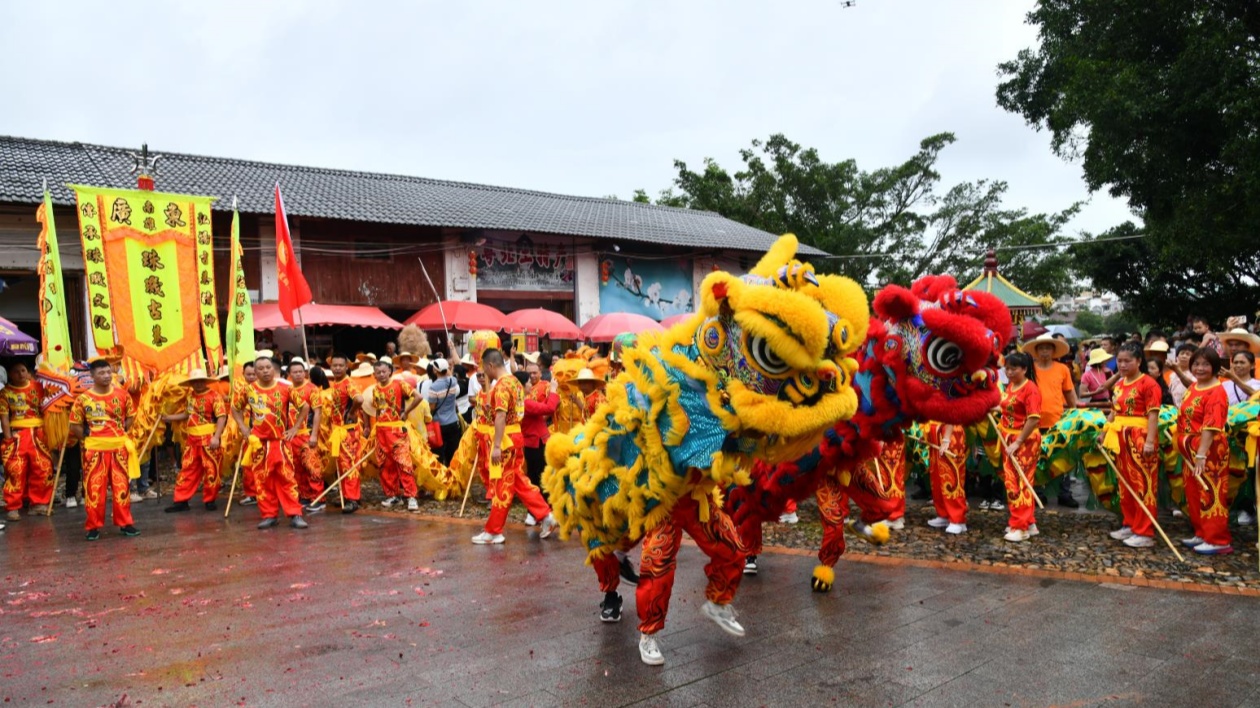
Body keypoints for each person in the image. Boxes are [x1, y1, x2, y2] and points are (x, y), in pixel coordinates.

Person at [469, 348, 558, 545]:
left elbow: (500, 416)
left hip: (506, 439)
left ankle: (494, 531)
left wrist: (498, 446)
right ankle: (545, 515)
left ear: (491, 366)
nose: (485, 373)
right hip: (516, 435)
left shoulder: (501, 386)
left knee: (503, 484)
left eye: (485, 368)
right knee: (517, 480)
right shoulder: (515, 383)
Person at [232, 355, 308, 530]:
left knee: (287, 478)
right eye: (261, 368)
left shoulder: (285, 388)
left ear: (274, 369)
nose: (265, 371)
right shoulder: (249, 390)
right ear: (255, 372)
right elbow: (235, 408)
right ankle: (269, 515)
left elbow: (304, 406)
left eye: (268, 367)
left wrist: (295, 428)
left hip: (281, 442)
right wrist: (243, 427)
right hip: (259, 443)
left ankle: (295, 514)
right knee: (262, 480)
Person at [68, 358, 140, 541]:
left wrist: (120, 432)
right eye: (101, 373)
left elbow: (130, 418)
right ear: (92, 375)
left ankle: (125, 523)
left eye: (108, 372)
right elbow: (75, 425)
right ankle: (93, 526)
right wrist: (86, 439)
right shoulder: (83, 399)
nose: (106, 376)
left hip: (118, 448)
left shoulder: (122, 395)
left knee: (122, 487)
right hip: (94, 450)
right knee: (94, 489)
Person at [1103, 343, 1163, 549]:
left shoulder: (1149, 384)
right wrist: (1104, 432)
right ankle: (1130, 523)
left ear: (1139, 361)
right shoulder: (1119, 384)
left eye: (1127, 360)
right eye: (1119, 361)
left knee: (1143, 484)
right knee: (1125, 485)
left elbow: (1153, 414)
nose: (1123, 364)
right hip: (1120, 437)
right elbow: (1114, 410)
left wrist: (1149, 441)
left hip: (1140, 437)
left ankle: (1145, 530)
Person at [1175, 347, 1233, 555]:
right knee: (1193, 491)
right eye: (1196, 364)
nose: (1200, 368)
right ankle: (1201, 532)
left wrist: (1201, 454)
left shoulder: (1216, 391)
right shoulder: (1194, 387)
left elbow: (1211, 426)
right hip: (1191, 449)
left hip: (1209, 450)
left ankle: (1217, 539)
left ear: (1215, 367)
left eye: (1205, 364)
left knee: (1210, 491)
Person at [1023, 334, 1079, 507]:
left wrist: (1075, 414)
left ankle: (1064, 493)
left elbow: (1069, 392)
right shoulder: (1029, 368)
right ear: (1036, 351)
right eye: (1041, 348)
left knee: (1062, 458)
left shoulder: (1062, 368)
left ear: (1054, 350)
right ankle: (1039, 492)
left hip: (1057, 420)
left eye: (1048, 348)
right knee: (1036, 458)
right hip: (1033, 421)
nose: (1045, 351)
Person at [163, 369, 227, 512]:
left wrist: (216, 437)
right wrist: (169, 418)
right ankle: (181, 500)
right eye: (195, 382)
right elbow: (187, 414)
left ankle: (210, 499)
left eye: (200, 381)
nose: (198, 384)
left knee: (212, 470)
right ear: (191, 383)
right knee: (187, 470)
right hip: (192, 440)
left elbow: (221, 417)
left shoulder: (214, 396)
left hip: (209, 439)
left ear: (205, 382)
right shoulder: (190, 396)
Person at [364, 359, 423, 511]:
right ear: (374, 375)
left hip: (396, 430)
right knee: (385, 465)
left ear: (390, 371)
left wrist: (406, 412)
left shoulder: (399, 384)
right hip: (381, 431)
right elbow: (372, 409)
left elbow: (418, 397)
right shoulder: (375, 389)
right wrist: (368, 426)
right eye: (378, 373)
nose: (382, 375)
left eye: (384, 371)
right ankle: (393, 495)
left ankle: (411, 496)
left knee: (404, 463)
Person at [995, 352, 1041, 542]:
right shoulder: (1012, 386)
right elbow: (1007, 407)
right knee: (1012, 481)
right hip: (1008, 437)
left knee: (1019, 483)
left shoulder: (1031, 389)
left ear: (1024, 369)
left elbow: (1033, 418)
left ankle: (1020, 526)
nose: (1010, 372)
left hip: (1024, 441)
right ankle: (1028, 522)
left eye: (1014, 368)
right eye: (1007, 368)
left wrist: (1018, 441)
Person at [1, 362, 53, 522]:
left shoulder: (39, 387)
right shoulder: (5, 393)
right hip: (18, 434)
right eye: (16, 372)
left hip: (39, 433)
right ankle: (13, 506)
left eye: (23, 370)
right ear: (10, 375)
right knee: (15, 471)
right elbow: (4, 417)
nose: (21, 374)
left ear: (28, 372)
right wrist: (9, 438)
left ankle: (39, 503)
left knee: (43, 468)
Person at [324, 354, 364, 513]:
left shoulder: (348, 383)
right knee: (342, 464)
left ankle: (352, 499)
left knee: (349, 465)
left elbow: (359, 399)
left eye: (341, 365)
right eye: (335, 365)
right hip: (338, 430)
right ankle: (348, 495)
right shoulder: (336, 383)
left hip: (348, 432)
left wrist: (352, 412)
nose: (337, 368)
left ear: (347, 367)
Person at [285, 359, 326, 511]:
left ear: (305, 373)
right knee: (296, 468)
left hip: (306, 433)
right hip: (291, 436)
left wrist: (314, 434)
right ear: (289, 374)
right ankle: (305, 496)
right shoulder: (287, 390)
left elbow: (318, 412)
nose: (298, 375)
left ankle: (318, 498)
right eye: (294, 372)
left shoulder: (312, 389)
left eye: (300, 372)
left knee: (312, 466)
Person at [924, 421, 968, 534]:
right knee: (937, 478)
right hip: (936, 430)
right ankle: (943, 513)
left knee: (952, 478)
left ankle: (957, 519)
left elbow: (952, 411)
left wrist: (947, 438)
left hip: (949, 431)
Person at [427, 358, 461, 467]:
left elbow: (432, 407)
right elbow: (450, 375)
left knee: (439, 453)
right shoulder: (453, 381)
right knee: (452, 452)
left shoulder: (434, 387)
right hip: (453, 422)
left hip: (439, 425)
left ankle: (442, 478)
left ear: (435, 370)